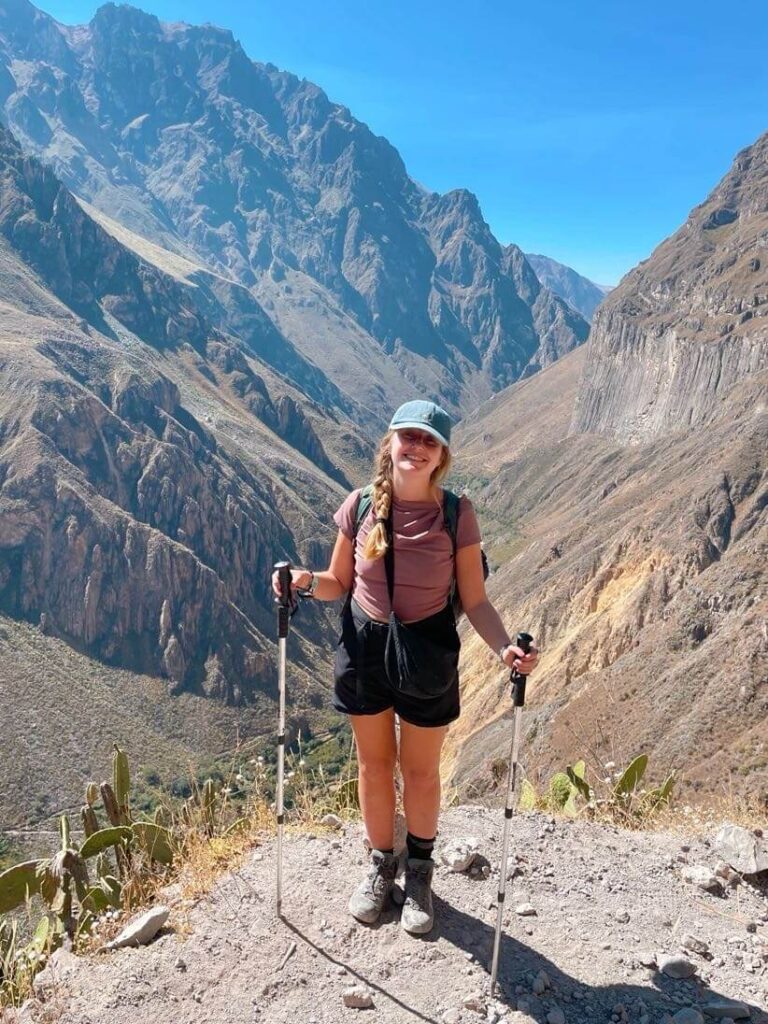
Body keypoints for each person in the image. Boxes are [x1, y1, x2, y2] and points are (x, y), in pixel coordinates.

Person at [272, 400, 538, 934]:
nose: (417, 447)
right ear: (390, 443)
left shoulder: (457, 515)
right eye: (408, 436)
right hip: (365, 647)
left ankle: (418, 873)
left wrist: (505, 648)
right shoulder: (359, 506)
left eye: (428, 441)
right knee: (373, 766)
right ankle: (380, 865)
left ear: (441, 456)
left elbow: (475, 600)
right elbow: (338, 583)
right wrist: (304, 581)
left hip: (426, 650)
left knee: (419, 771)